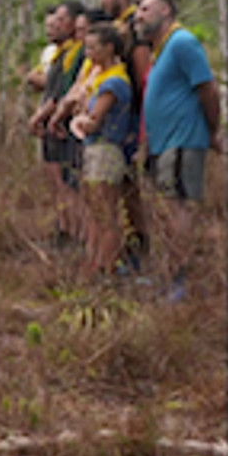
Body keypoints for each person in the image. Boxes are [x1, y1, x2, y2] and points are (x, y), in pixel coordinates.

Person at [136, 0, 221, 300]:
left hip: (184, 140)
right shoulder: (162, 49)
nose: (138, 15)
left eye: (146, 9)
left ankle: (178, 281)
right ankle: (168, 272)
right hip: (164, 143)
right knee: (167, 208)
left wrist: (212, 130)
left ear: (166, 11)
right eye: (138, 10)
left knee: (178, 208)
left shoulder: (183, 42)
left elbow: (208, 88)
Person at [69, 24, 132, 278]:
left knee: (105, 212)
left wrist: (81, 120)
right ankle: (96, 263)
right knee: (96, 211)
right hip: (95, 148)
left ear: (109, 48)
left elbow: (93, 120)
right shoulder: (98, 78)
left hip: (105, 150)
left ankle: (109, 266)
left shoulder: (114, 83)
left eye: (93, 47)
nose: (88, 53)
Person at [98, 0, 151, 267]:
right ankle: (130, 240)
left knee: (130, 184)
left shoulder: (136, 30)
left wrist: (142, 124)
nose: (103, 1)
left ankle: (140, 242)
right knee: (121, 184)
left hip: (130, 117)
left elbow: (143, 80)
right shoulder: (116, 27)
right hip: (119, 115)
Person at [27, 1, 86, 246]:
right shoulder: (61, 54)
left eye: (61, 20)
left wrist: (43, 116)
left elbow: (62, 94)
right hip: (53, 126)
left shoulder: (79, 54)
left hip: (66, 128)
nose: (54, 25)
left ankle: (76, 235)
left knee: (69, 184)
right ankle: (64, 230)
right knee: (58, 183)